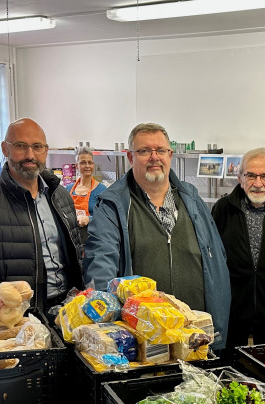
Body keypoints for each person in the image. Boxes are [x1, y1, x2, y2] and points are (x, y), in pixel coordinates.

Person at [83, 122, 230, 350]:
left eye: (160, 150)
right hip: (143, 342)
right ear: (130, 158)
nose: (154, 157)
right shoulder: (114, 205)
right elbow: (101, 264)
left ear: (170, 155)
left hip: (194, 335)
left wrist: (217, 327)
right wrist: (111, 335)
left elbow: (217, 261)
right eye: (144, 151)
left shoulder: (191, 199)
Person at [0, 118, 84, 318]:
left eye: (37, 147)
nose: (30, 155)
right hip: (15, 319)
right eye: (21, 146)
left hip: (68, 312)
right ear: (5, 149)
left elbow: (76, 257)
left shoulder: (60, 196)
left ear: (46, 151)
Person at [212, 147, 265, 349]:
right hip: (231, 312)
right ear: (240, 178)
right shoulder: (223, 209)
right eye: (251, 175)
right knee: (231, 373)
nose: (258, 183)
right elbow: (214, 261)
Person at [65, 146, 106, 244]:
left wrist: (89, 218)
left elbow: (107, 216)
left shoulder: (102, 190)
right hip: (71, 239)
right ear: (76, 166)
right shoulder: (68, 189)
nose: (87, 166)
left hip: (94, 240)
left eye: (90, 162)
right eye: (83, 162)